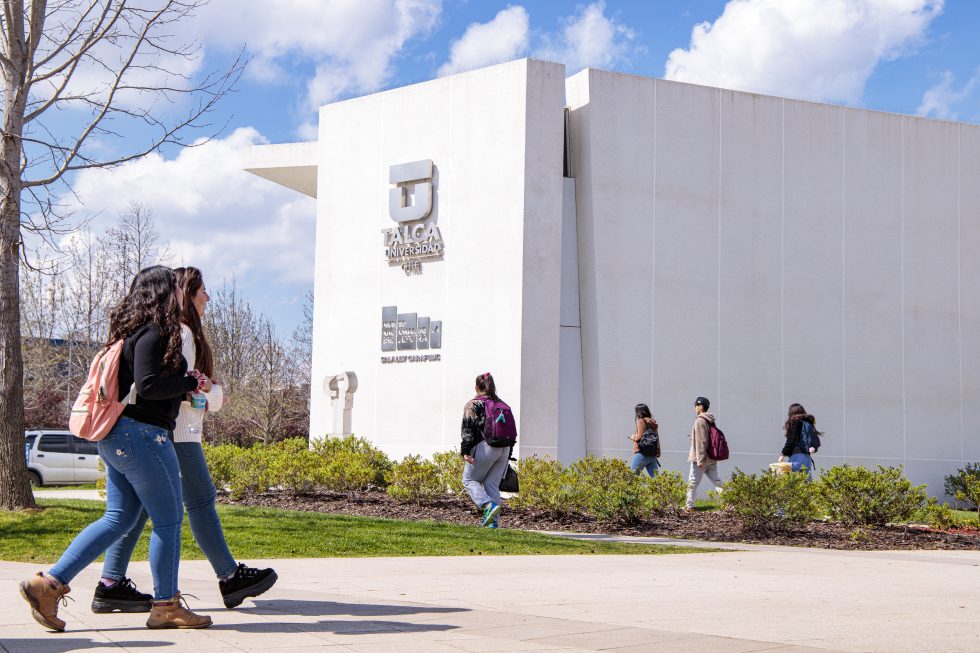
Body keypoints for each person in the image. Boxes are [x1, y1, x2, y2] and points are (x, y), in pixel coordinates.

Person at [19, 266, 212, 631]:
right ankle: (167, 605)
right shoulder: (155, 333)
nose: (178, 293)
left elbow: (145, 385)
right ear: (161, 292)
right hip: (144, 436)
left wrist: (181, 386)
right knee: (169, 521)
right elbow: (151, 384)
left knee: (118, 519)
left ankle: (48, 585)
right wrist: (189, 380)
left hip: (118, 436)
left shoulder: (131, 334)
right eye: (173, 287)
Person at [93, 267, 277, 613]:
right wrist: (202, 391)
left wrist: (205, 391)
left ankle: (111, 582)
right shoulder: (178, 334)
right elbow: (183, 389)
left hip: (170, 431)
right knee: (197, 502)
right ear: (185, 294)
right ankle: (225, 578)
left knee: (138, 511)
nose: (208, 297)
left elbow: (203, 391)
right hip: (176, 434)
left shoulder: (175, 333)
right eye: (202, 291)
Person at [460, 372, 511, 529]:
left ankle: (488, 506)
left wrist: (465, 451)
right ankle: (492, 523)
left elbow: (468, 429)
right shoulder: (502, 404)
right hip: (505, 448)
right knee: (491, 484)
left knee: (468, 480)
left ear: (477, 387)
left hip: (486, 446)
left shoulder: (473, 404)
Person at [685, 396, 724, 510]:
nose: (695, 408)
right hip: (711, 457)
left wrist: (700, 460)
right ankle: (730, 502)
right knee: (717, 481)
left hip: (701, 458)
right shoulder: (710, 420)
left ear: (700, 407)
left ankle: (689, 506)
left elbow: (702, 440)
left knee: (692, 482)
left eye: (696, 406)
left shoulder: (700, 420)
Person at [778, 403, 820, 480]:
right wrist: (813, 448)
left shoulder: (795, 422)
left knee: (789, 482)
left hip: (797, 457)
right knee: (806, 484)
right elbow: (816, 440)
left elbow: (791, 440)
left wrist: (782, 454)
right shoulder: (808, 424)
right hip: (807, 458)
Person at [628, 403, 660, 477]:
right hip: (652, 456)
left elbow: (639, 437)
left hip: (641, 454)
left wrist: (632, 437)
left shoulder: (641, 421)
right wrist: (657, 452)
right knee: (656, 481)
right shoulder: (653, 422)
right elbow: (657, 439)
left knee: (632, 479)